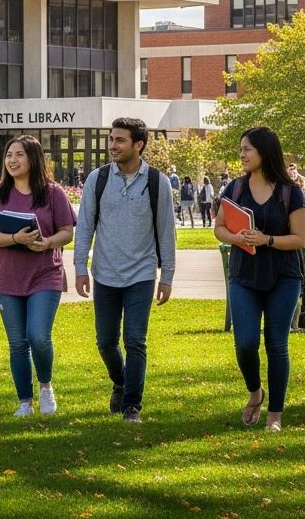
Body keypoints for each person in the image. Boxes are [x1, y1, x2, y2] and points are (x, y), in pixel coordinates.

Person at [73, 117, 177, 424]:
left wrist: (167, 276)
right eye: (111, 139)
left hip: (141, 274)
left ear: (138, 145)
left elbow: (166, 232)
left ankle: (132, 406)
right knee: (105, 341)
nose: (113, 145)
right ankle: (120, 381)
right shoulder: (98, 179)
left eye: (120, 140)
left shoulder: (157, 182)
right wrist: (80, 267)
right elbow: (85, 226)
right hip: (105, 273)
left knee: (135, 340)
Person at [214, 126, 305, 434]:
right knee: (245, 343)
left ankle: (275, 416)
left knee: (276, 344)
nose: (241, 154)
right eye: (240, 149)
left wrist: (266, 239)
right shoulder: (235, 189)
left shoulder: (290, 191)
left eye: (247, 149)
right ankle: (255, 391)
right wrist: (237, 238)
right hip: (244, 275)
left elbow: (299, 239)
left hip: (283, 276)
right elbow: (219, 228)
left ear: (265, 152)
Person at [0, 134, 76, 416]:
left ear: (33, 158)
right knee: (18, 343)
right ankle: (25, 402)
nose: (12, 160)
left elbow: (67, 232)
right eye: (9, 155)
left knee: (38, 336)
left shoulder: (53, 193)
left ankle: (46, 387)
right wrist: (15, 238)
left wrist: (47, 243)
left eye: (19, 155)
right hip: (7, 278)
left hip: (45, 274)